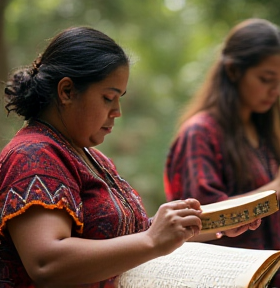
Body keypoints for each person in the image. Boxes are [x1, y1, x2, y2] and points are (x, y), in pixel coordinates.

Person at [0, 26, 261, 288]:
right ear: (67, 91)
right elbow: (47, 263)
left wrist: (212, 224)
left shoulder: (92, 158)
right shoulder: (32, 155)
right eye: (108, 98)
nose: (117, 111)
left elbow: (129, 237)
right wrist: (151, 241)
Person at [164, 18, 280, 287]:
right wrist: (278, 186)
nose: (275, 91)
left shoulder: (263, 134)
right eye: (266, 79)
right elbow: (201, 221)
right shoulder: (200, 134)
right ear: (233, 71)